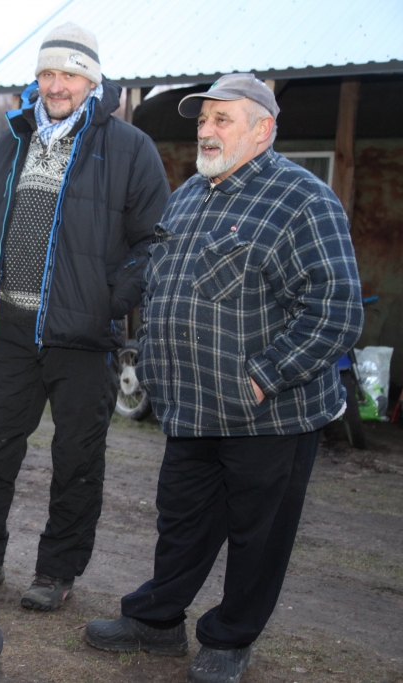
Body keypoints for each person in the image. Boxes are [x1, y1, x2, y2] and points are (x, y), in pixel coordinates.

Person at [84, 73, 363, 683]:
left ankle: (231, 639)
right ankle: (156, 622)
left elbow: (337, 311)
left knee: (257, 536)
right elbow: (163, 288)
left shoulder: (304, 201)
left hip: (270, 412)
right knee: (181, 521)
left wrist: (263, 376)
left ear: (262, 129)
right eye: (203, 120)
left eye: (222, 120)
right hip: (190, 407)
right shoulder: (190, 195)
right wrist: (154, 365)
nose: (206, 132)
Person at [0, 22, 170, 611]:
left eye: (70, 74)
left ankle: (56, 573)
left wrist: (110, 301)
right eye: (48, 73)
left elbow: (155, 241)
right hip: (8, 331)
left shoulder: (129, 148)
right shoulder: (13, 141)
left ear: (92, 82)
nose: (57, 85)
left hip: (82, 336)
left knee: (77, 460)